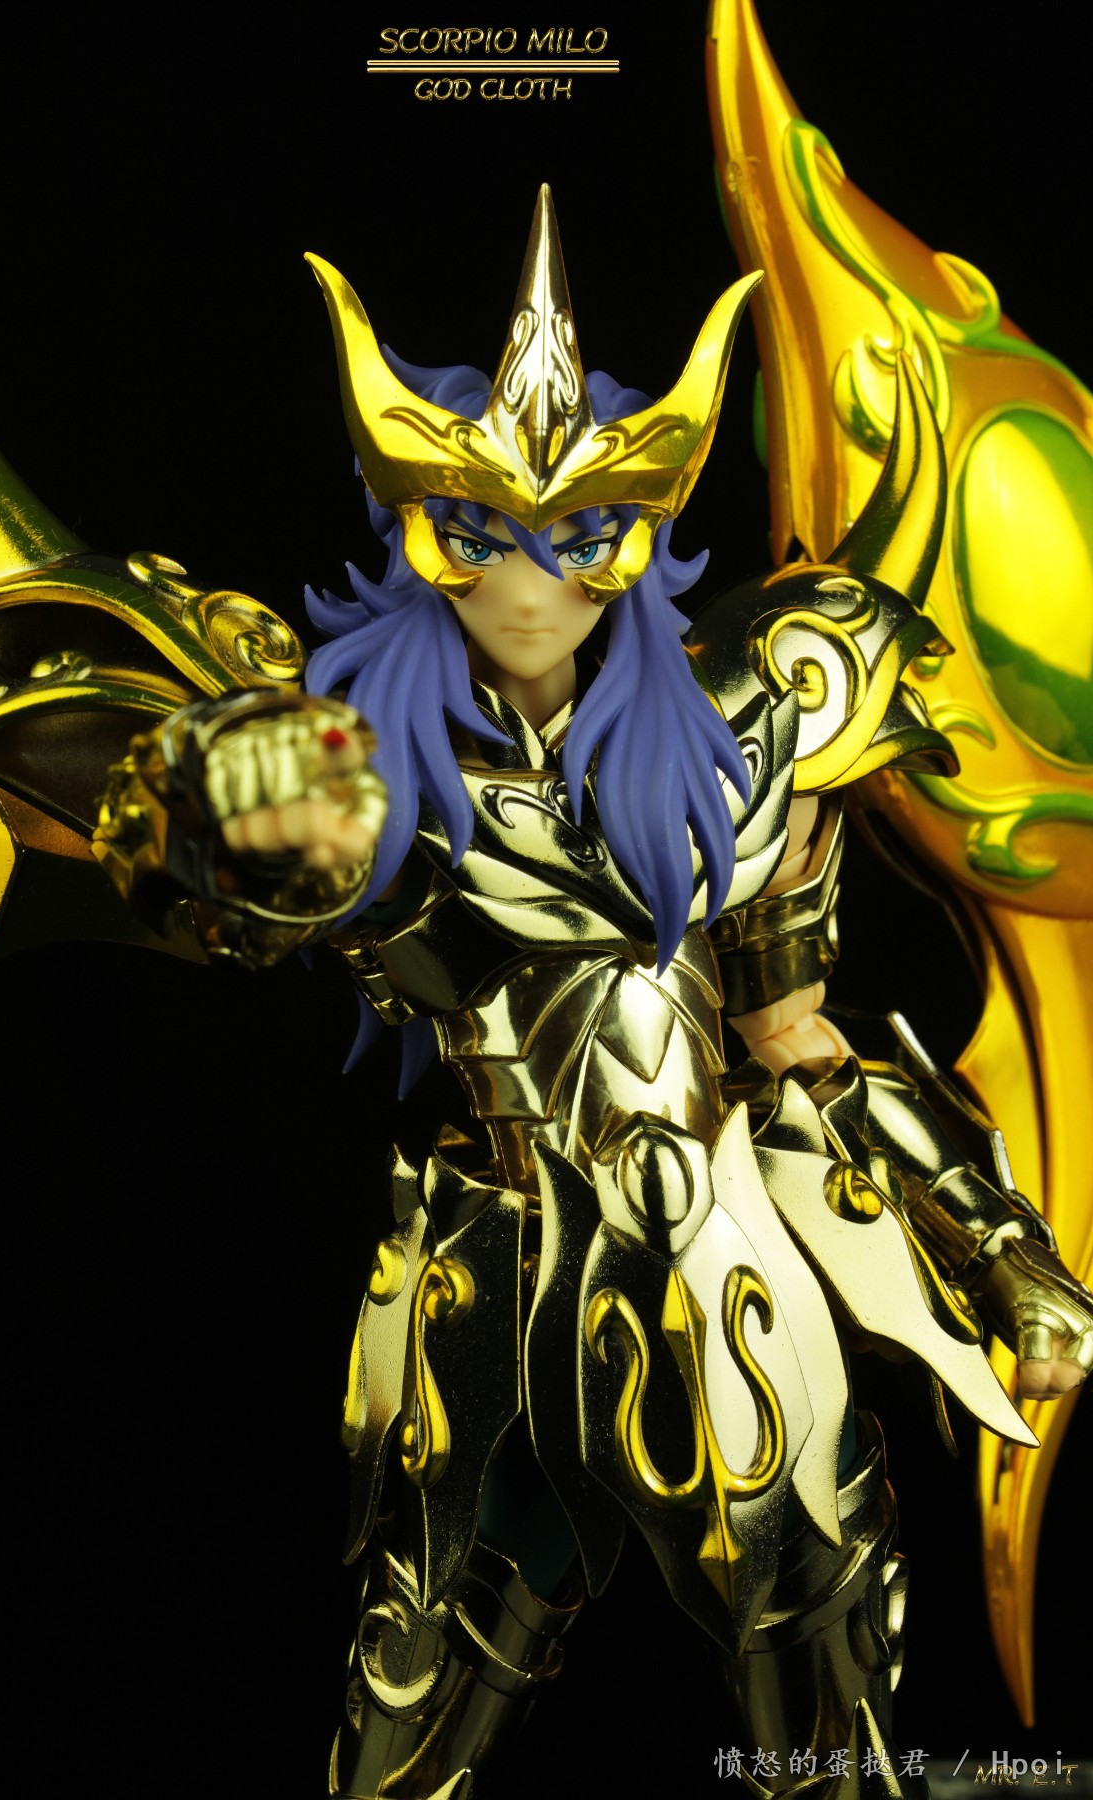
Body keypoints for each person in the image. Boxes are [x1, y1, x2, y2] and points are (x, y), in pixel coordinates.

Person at [91, 190, 1088, 1798]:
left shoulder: (747, 740)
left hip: (724, 1272)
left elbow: (795, 1042)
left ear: (643, 542)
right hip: (496, 1284)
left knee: (823, 1680)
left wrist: (1007, 1257)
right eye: (479, 532)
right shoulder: (365, 772)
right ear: (416, 530)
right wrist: (200, 828)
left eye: (581, 536)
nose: (530, 582)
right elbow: (216, 868)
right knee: (418, 1689)